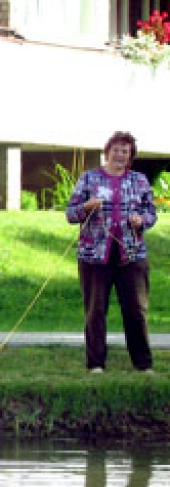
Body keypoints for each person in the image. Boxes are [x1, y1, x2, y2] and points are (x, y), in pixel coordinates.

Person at [66, 131, 158, 374]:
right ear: (107, 152)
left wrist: (142, 220)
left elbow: (152, 214)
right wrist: (86, 207)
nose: (120, 155)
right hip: (94, 257)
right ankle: (96, 364)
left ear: (130, 156)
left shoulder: (139, 180)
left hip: (133, 256)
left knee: (136, 311)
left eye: (125, 151)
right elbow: (70, 214)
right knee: (95, 311)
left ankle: (143, 364)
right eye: (116, 150)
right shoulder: (89, 178)